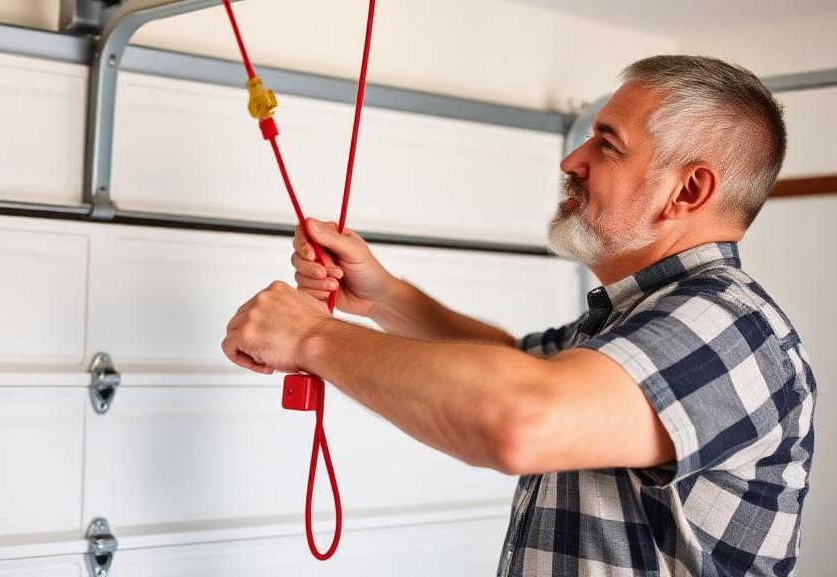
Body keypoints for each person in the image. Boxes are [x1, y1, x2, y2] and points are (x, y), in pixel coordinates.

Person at [221, 55, 815, 577]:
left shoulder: (730, 324)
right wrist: (382, 298)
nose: (572, 159)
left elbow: (520, 418)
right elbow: (512, 363)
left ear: (687, 192)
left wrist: (313, 337)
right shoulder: (634, 318)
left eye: (607, 144)